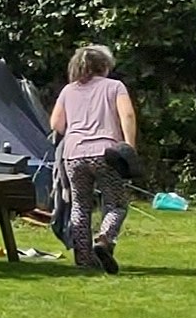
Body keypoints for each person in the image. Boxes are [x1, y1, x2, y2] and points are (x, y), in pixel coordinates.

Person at [49, 43, 139, 274]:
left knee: (80, 206)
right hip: (106, 153)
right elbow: (127, 115)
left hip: (73, 154)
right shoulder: (114, 87)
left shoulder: (68, 91)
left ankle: (84, 259)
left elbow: (56, 124)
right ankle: (105, 240)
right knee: (116, 204)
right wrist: (129, 145)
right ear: (104, 66)